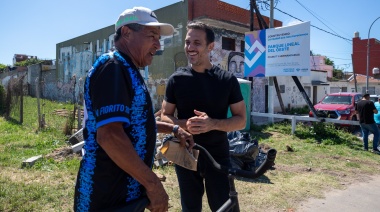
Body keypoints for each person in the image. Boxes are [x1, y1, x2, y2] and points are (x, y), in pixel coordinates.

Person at [74, 7, 194, 212]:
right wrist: (153, 185)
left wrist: (174, 129)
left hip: (124, 196)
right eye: (152, 36)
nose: (158, 45)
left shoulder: (128, 69)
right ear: (127, 33)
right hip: (105, 197)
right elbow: (110, 136)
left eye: (159, 38)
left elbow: (136, 123)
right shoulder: (113, 68)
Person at [161, 21, 247, 211]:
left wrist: (211, 124)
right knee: (190, 208)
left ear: (210, 46)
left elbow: (241, 120)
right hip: (186, 155)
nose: (190, 48)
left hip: (218, 156)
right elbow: (165, 116)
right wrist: (183, 124)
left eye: (197, 43)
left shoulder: (227, 80)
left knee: (224, 207)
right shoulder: (177, 79)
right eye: (187, 42)